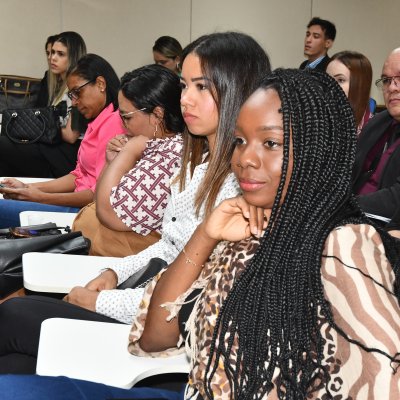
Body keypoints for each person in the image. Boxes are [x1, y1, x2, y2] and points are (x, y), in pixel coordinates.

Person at [2, 68, 400, 399]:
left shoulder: (344, 241)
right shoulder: (248, 227)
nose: (245, 158)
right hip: (189, 380)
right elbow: (157, 334)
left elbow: (385, 379)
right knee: (14, 366)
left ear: (321, 150)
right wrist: (206, 235)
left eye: (271, 143)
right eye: (241, 141)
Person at [0, 31, 271, 375]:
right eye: (184, 85)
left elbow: (187, 296)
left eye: (201, 87)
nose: (185, 99)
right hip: (140, 298)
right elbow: (166, 250)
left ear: (237, 88)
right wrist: (115, 272)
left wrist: (102, 301)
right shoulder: (199, 165)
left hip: (160, 337)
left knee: (14, 316)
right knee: (16, 359)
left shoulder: (241, 185)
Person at [0, 53, 124, 229]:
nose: (74, 102)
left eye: (77, 93)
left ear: (101, 84)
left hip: (84, 212)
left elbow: (95, 195)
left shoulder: (113, 123)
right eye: (72, 95)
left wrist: (37, 195)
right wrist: (28, 188)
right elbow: (78, 176)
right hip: (76, 204)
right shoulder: (99, 120)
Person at [72, 64, 185, 257]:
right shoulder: (155, 146)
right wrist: (111, 161)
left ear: (157, 115)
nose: (123, 126)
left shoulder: (169, 156)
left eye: (126, 118)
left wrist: (129, 152)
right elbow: (98, 197)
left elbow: (107, 213)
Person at [0, 31, 87, 178]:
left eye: (60, 54)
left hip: (63, 156)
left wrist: (41, 126)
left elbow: (71, 135)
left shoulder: (79, 88)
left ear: (73, 57)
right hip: (50, 147)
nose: (52, 58)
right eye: (52, 52)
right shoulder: (56, 85)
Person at [352, 47, 400, 229]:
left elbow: (396, 199)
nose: (392, 87)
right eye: (387, 80)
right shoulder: (379, 122)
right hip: (352, 220)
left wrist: (342, 207)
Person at [327, 51, 373, 135]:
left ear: (360, 85)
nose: (330, 85)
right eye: (327, 79)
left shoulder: (374, 130)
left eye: (340, 80)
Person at [35, 34, 57, 107]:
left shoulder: (72, 80)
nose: (50, 57)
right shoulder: (48, 76)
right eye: (48, 53)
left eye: (53, 52)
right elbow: (39, 107)